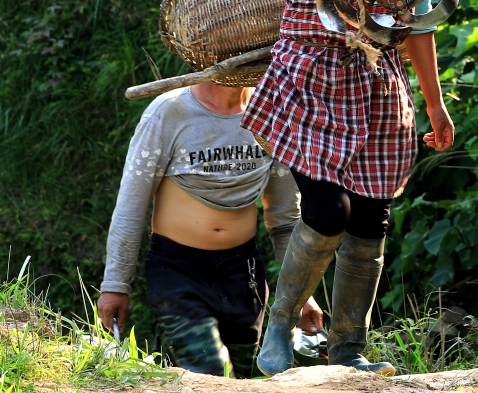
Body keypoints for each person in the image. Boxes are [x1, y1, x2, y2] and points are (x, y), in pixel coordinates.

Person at [245, 0, 464, 377]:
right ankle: (280, 322)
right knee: (326, 208)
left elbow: (413, 22)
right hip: (314, 77)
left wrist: (434, 105)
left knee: (372, 218)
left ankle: (348, 347)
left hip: (376, 84)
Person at [97, 80, 323, 378]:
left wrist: (302, 294)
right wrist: (115, 284)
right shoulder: (169, 112)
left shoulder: (272, 111)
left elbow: (284, 221)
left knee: (240, 376)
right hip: (179, 271)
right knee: (208, 370)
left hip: (243, 274)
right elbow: (131, 206)